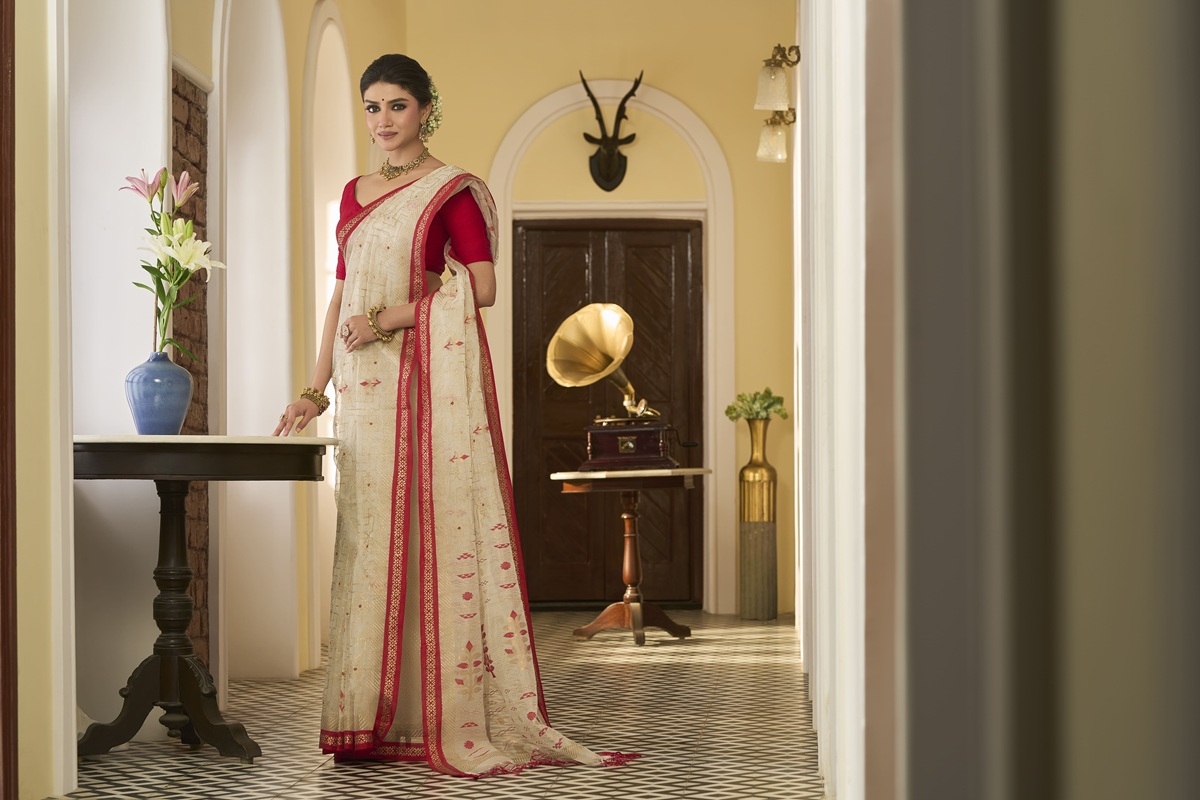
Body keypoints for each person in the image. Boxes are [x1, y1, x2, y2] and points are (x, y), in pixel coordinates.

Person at [273, 54, 634, 776]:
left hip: (421, 384)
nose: (382, 121)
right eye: (372, 107)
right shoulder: (352, 194)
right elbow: (338, 299)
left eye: (397, 106)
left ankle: (433, 714)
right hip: (362, 396)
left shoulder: (451, 191)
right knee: (368, 540)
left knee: (428, 533)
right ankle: (370, 717)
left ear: (425, 109)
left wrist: (389, 319)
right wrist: (314, 390)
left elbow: (483, 287)